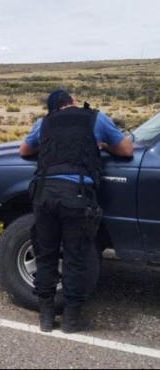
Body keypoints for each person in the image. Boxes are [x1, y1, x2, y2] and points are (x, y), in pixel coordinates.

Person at [19, 89, 133, 333]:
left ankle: (46, 318)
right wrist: (103, 145)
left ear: (54, 108)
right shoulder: (96, 118)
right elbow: (127, 150)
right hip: (78, 196)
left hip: (45, 195)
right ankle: (71, 320)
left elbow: (24, 151)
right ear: (73, 101)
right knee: (75, 257)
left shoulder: (44, 122)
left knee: (45, 255)